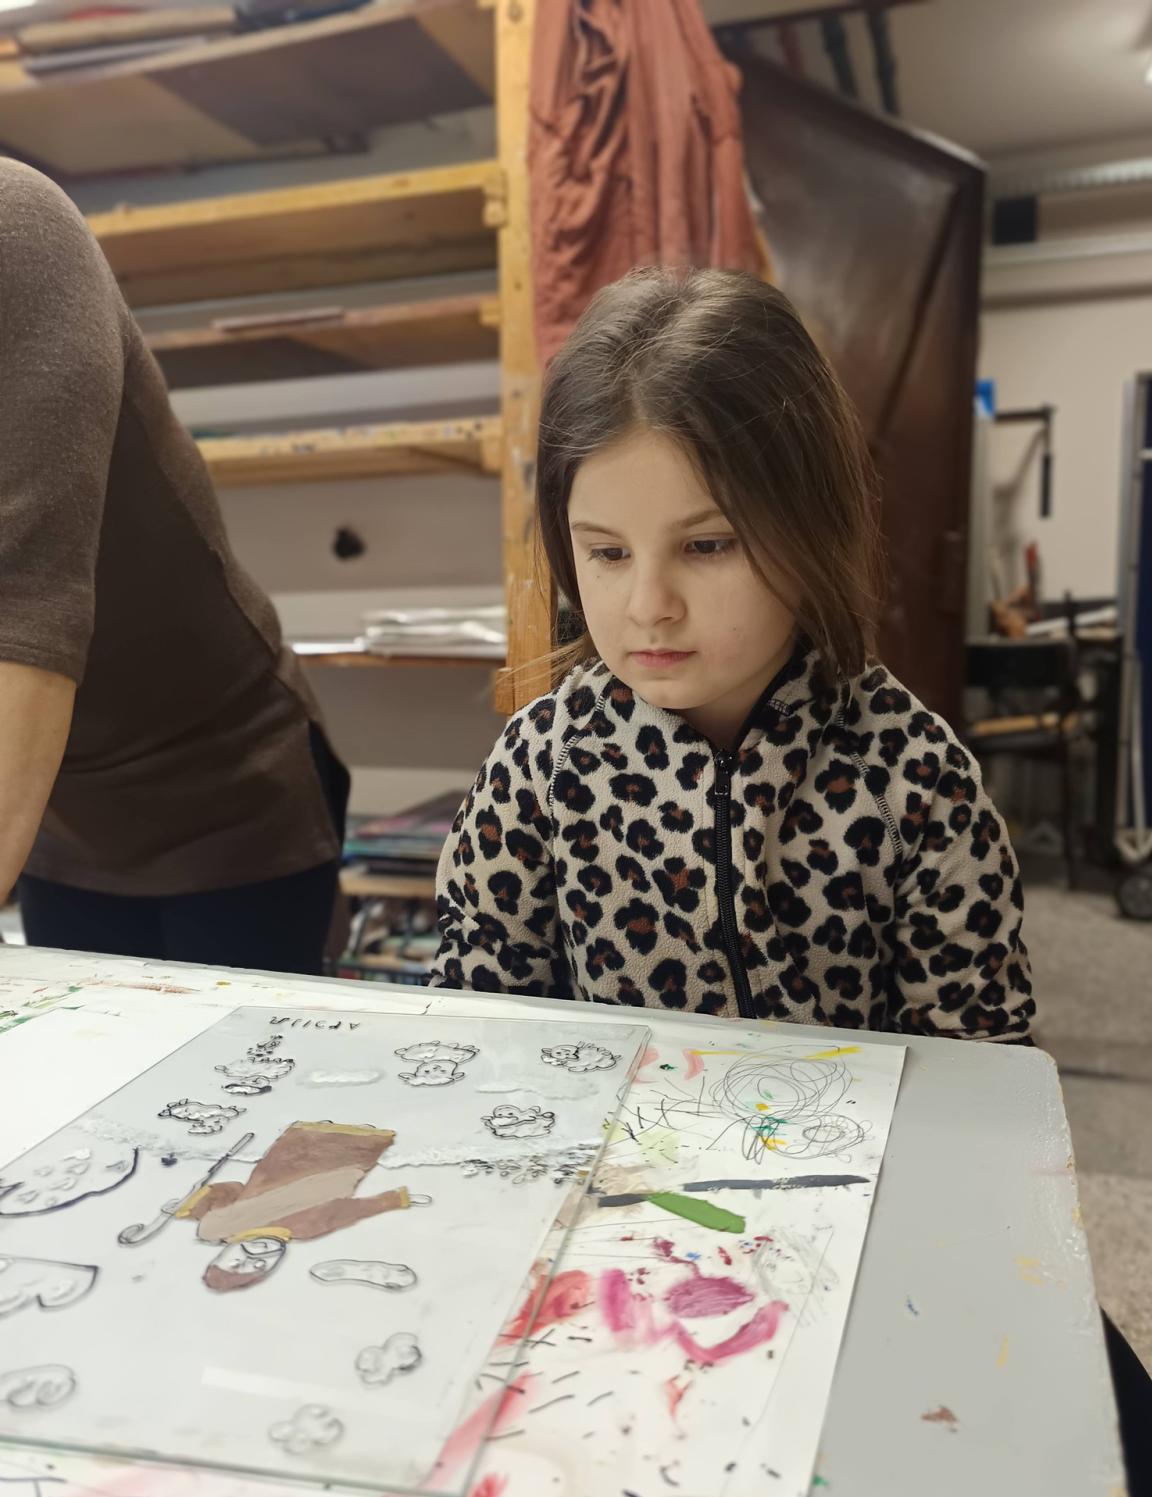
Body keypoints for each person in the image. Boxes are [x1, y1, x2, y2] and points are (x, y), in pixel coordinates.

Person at [429, 266, 1035, 1040]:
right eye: (608, 553)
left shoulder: (913, 777)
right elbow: (478, 1024)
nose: (649, 605)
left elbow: (981, 1058)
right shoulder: (539, 767)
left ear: (812, 522)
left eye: (708, 545)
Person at [0, 158, 348, 974]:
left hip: (223, 790)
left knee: (238, 1059)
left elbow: (25, 614)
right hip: (62, 807)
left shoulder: (17, 227)